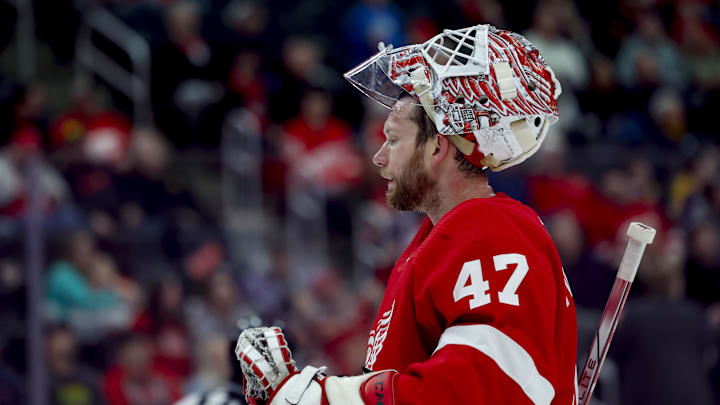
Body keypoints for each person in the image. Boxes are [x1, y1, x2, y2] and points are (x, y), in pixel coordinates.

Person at [235, 24, 577, 405]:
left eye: (394, 139)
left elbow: (487, 385)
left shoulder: (491, 232)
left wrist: (321, 397)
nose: (379, 158)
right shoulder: (438, 241)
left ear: (436, 148)